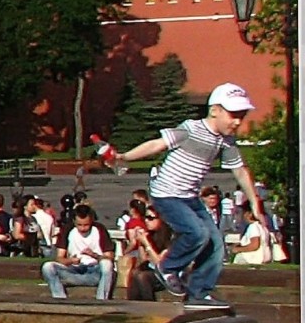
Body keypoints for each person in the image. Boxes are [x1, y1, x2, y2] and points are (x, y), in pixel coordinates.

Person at [114, 82, 264, 308]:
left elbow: (240, 171)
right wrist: (124, 157)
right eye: (233, 115)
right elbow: (157, 144)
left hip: (189, 197)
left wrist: (254, 202)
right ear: (215, 110)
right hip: (166, 194)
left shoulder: (226, 141)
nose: (237, 122)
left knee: (216, 243)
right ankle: (166, 267)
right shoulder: (190, 129)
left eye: (241, 116)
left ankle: (199, 293)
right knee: (197, 232)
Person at [42, 204, 115, 300]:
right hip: (73, 271)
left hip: (94, 271)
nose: (83, 228)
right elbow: (59, 258)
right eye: (79, 225)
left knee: (107, 264)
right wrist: (71, 261)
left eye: (86, 225)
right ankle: (59, 298)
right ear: (74, 221)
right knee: (48, 267)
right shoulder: (67, 230)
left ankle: (101, 299)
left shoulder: (99, 229)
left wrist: (94, 255)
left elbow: (109, 257)